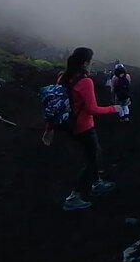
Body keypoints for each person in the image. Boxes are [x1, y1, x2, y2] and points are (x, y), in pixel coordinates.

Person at [41, 46, 120, 211]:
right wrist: (114, 109)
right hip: (84, 127)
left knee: (94, 154)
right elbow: (92, 109)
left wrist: (49, 129)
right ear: (85, 63)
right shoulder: (85, 82)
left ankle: (97, 182)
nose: (92, 64)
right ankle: (73, 197)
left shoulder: (64, 77)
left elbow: (56, 104)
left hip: (69, 125)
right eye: (91, 61)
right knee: (93, 159)